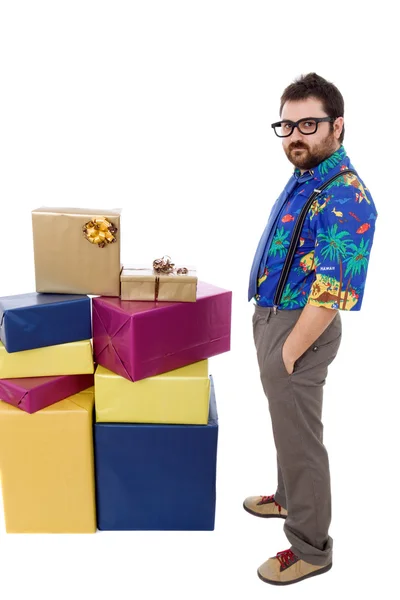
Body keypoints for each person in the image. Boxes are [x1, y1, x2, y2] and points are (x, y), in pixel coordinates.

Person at [245, 72, 378, 586]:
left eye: (308, 123)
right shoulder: (308, 176)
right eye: (287, 124)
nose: (295, 135)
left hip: (300, 330)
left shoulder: (347, 196)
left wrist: (288, 351)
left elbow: (332, 290)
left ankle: (310, 548)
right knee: (289, 427)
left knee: (301, 441)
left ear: (337, 126)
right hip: (275, 320)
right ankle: (288, 498)